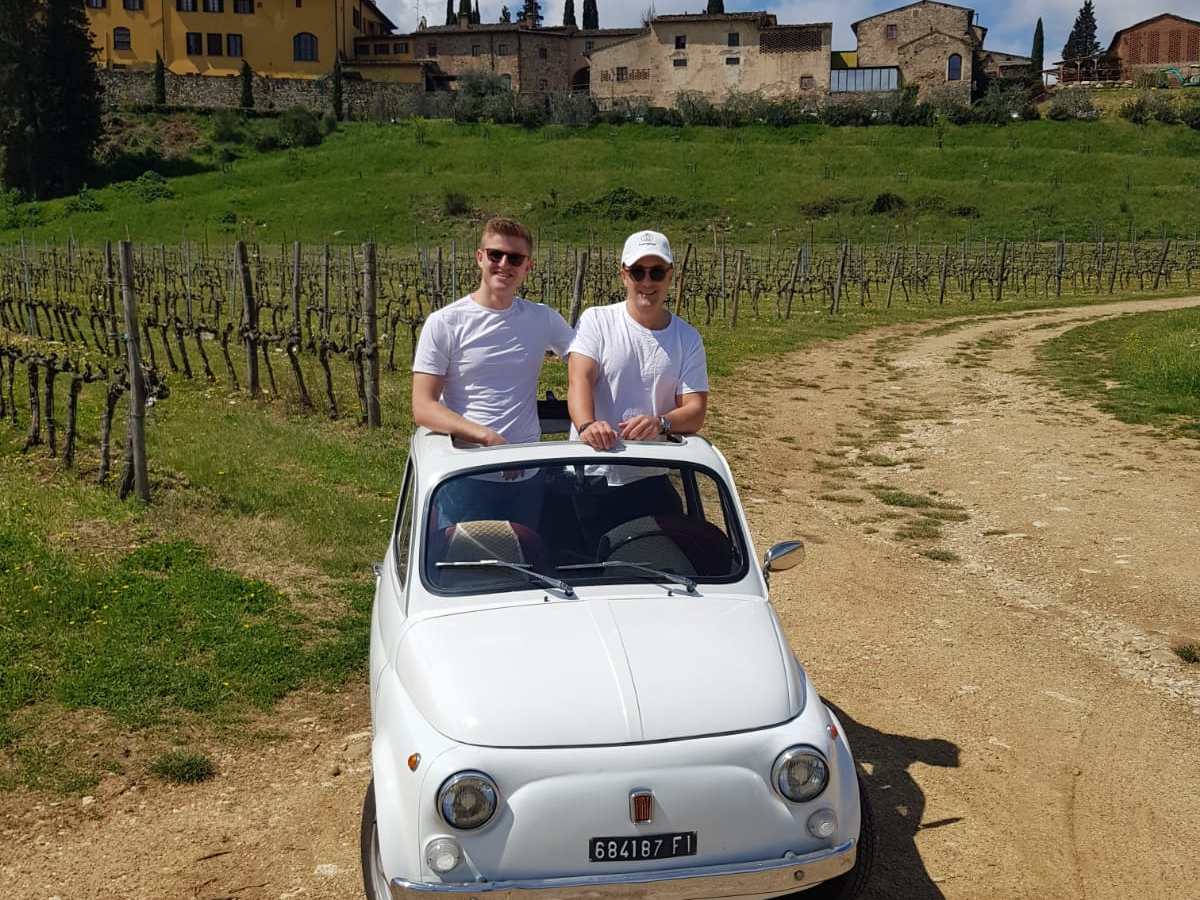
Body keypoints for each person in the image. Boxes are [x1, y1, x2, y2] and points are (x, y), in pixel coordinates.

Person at [412, 217, 574, 527]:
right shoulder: (445, 322)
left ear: (528, 266)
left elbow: (585, 364)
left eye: (515, 258)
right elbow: (423, 406)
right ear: (479, 257)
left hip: (527, 474)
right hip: (465, 474)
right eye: (495, 255)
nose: (504, 264)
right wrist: (488, 439)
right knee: (464, 567)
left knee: (525, 559)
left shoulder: (543, 319)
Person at [566, 230, 708, 539]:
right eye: (638, 272)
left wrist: (661, 422)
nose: (647, 282)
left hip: (650, 474)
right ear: (623, 275)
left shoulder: (687, 338)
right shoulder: (597, 321)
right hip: (591, 471)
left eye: (656, 272)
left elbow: (695, 410)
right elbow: (579, 379)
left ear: (670, 276)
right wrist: (588, 424)